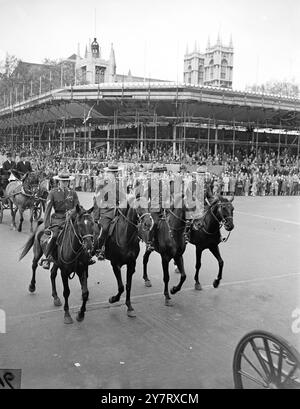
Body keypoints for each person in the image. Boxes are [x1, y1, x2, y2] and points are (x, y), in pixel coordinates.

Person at [41, 171, 93, 269]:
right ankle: (47, 257)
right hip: (57, 219)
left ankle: (86, 256)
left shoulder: (72, 193)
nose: (65, 183)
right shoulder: (53, 193)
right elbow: (47, 211)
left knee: (82, 233)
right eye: (63, 181)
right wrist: (47, 225)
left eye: (66, 181)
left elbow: (78, 206)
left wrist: (72, 212)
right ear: (58, 181)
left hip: (70, 218)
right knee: (55, 235)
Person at [93, 164, 123, 260]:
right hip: (105, 211)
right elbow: (96, 199)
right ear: (108, 173)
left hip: (117, 210)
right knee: (105, 228)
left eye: (115, 172)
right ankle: (100, 249)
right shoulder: (102, 183)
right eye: (112, 172)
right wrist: (96, 216)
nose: (114, 174)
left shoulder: (118, 183)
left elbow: (122, 197)